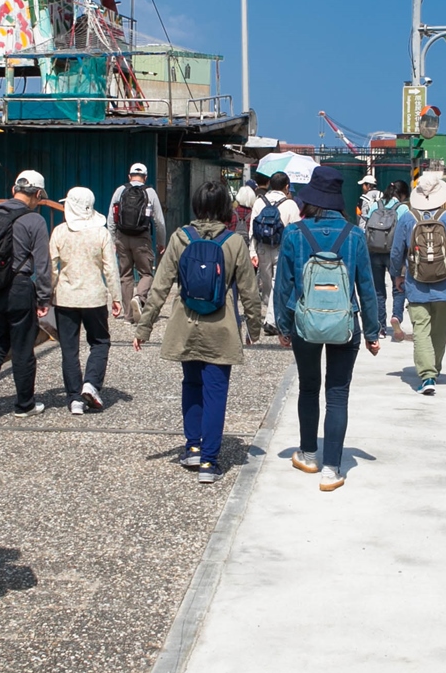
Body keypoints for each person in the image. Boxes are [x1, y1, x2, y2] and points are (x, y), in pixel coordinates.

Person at [134, 179, 264, 484]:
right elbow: (249, 291)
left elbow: (160, 285)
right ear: (225, 208)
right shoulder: (234, 242)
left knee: (191, 384)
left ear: (196, 205)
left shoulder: (181, 238)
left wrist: (144, 327)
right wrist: (254, 328)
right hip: (221, 327)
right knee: (215, 391)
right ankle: (209, 462)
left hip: (186, 324)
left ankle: (193, 447)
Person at [274, 166, 382, 492]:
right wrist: (372, 333)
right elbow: (367, 288)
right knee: (337, 393)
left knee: (308, 388)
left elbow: (283, 286)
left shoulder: (294, 233)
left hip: (304, 323)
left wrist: (283, 327)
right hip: (344, 324)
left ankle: (308, 455)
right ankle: (332, 470)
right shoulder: (354, 235)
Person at [0, 170, 53, 420]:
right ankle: (24, 404)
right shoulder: (34, 220)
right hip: (19, 287)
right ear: (37, 194)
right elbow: (43, 264)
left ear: (14, 189)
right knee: (23, 347)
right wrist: (44, 297)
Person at [388, 166, 446, 396]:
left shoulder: (407, 218)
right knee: (439, 331)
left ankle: (427, 377)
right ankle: (434, 369)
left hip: (416, 284)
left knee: (421, 331)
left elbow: (396, 252)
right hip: (444, 285)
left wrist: (397, 275)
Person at [51, 186, 124, 414]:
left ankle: (74, 399)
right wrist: (116, 297)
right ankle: (91, 384)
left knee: (69, 349)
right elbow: (110, 268)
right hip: (94, 297)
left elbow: (51, 268)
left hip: (65, 298)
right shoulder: (101, 233)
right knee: (100, 342)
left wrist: (46, 296)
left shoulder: (59, 232)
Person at [108, 162, 166, 317]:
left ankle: (128, 315)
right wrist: (161, 242)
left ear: (129, 176)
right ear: (145, 177)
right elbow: (159, 221)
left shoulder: (120, 191)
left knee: (125, 275)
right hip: (142, 238)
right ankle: (139, 298)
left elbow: (111, 218)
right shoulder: (150, 192)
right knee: (146, 274)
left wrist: (112, 240)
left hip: (122, 237)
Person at [249, 172, 301, 333]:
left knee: (266, 284)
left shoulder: (259, 202)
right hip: (282, 248)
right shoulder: (291, 204)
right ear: (287, 186)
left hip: (262, 247)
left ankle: (270, 319)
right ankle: (272, 316)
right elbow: (297, 231)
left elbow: (252, 229)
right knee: (276, 283)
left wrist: (252, 252)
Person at [363, 179, 406, 334]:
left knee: (378, 290)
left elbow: (366, 227)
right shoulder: (402, 208)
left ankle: (380, 326)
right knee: (399, 286)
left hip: (374, 251)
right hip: (394, 253)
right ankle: (396, 316)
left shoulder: (375, 206)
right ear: (402, 194)